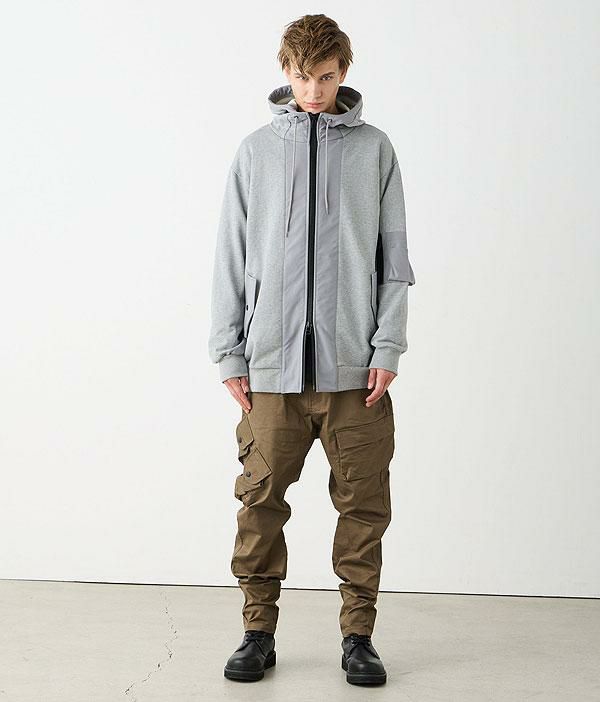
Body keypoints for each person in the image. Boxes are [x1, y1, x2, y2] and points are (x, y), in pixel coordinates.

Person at [208, 13, 416, 686]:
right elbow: (231, 257)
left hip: (355, 370)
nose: (314, 91)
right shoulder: (256, 152)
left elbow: (393, 259)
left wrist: (387, 345)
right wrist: (229, 352)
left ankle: (358, 637)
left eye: (325, 77)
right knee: (260, 503)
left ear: (343, 72)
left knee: (364, 506)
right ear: (285, 71)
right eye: (302, 77)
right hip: (271, 368)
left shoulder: (375, 150)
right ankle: (257, 632)